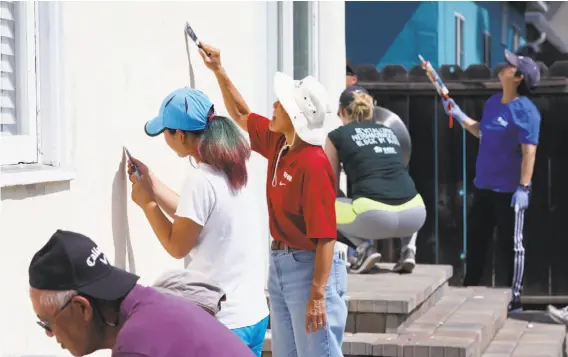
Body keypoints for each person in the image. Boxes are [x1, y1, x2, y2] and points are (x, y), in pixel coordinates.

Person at [198, 42, 347, 357]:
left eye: (280, 104)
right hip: (281, 265)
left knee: (317, 353)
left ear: (295, 117)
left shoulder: (313, 163)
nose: (274, 107)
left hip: (309, 268)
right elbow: (240, 113)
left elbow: (325, 237)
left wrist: (318, 294)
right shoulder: (281, 143)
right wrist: (219, 70)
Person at [128, 88, 268, 356]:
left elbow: (177, 245)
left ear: (179, 135)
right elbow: (195, 215)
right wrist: (152, 184)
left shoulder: (200, 180)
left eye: (165, 133)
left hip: (225, 322)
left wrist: (147, 205)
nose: (165, 140)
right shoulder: (232, 168)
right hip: (253, 314)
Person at [28, 230, 255, 357]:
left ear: (81, 307)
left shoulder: (137, 346)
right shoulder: (152, 304)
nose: (49, 334)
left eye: (46, 322)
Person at [441, 49, 542, 311]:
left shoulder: (527, 112)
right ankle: (468, 292)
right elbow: (483, 132)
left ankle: (514, 300)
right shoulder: (493, 103)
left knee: (512, 246)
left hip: (509, 191)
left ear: (518, 78)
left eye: (510, 66)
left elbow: (529, 151)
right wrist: (459, 115)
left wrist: (523, 188)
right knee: (476, 242)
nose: (503, 66)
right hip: (484, 187)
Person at [325, 85, 426, 274]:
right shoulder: (389, 132)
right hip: (415, 216)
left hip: (375, 218)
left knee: (322, 206)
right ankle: (408, 249)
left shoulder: (336, 136)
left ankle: (364, 248)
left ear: (341, 112)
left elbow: (329, 185)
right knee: (402, 192)